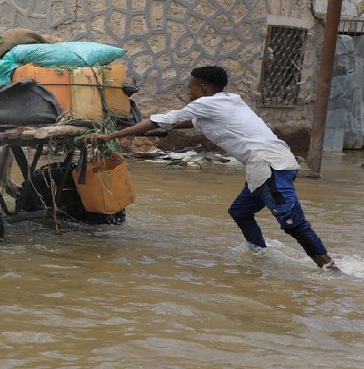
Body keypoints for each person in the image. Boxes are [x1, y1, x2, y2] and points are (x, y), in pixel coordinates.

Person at [86, 66, 339, 271]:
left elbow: (162, 119)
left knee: (292, 222)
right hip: (271, 163)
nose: (189, 92)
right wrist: (159, 132)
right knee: (240, 211)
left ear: (202, 88)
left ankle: (330, 269)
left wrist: (111, 136)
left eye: (191, 88)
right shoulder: (230, 100)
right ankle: (259, 256)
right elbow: (186, 123)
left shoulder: (205, 103)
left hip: (269, 166)